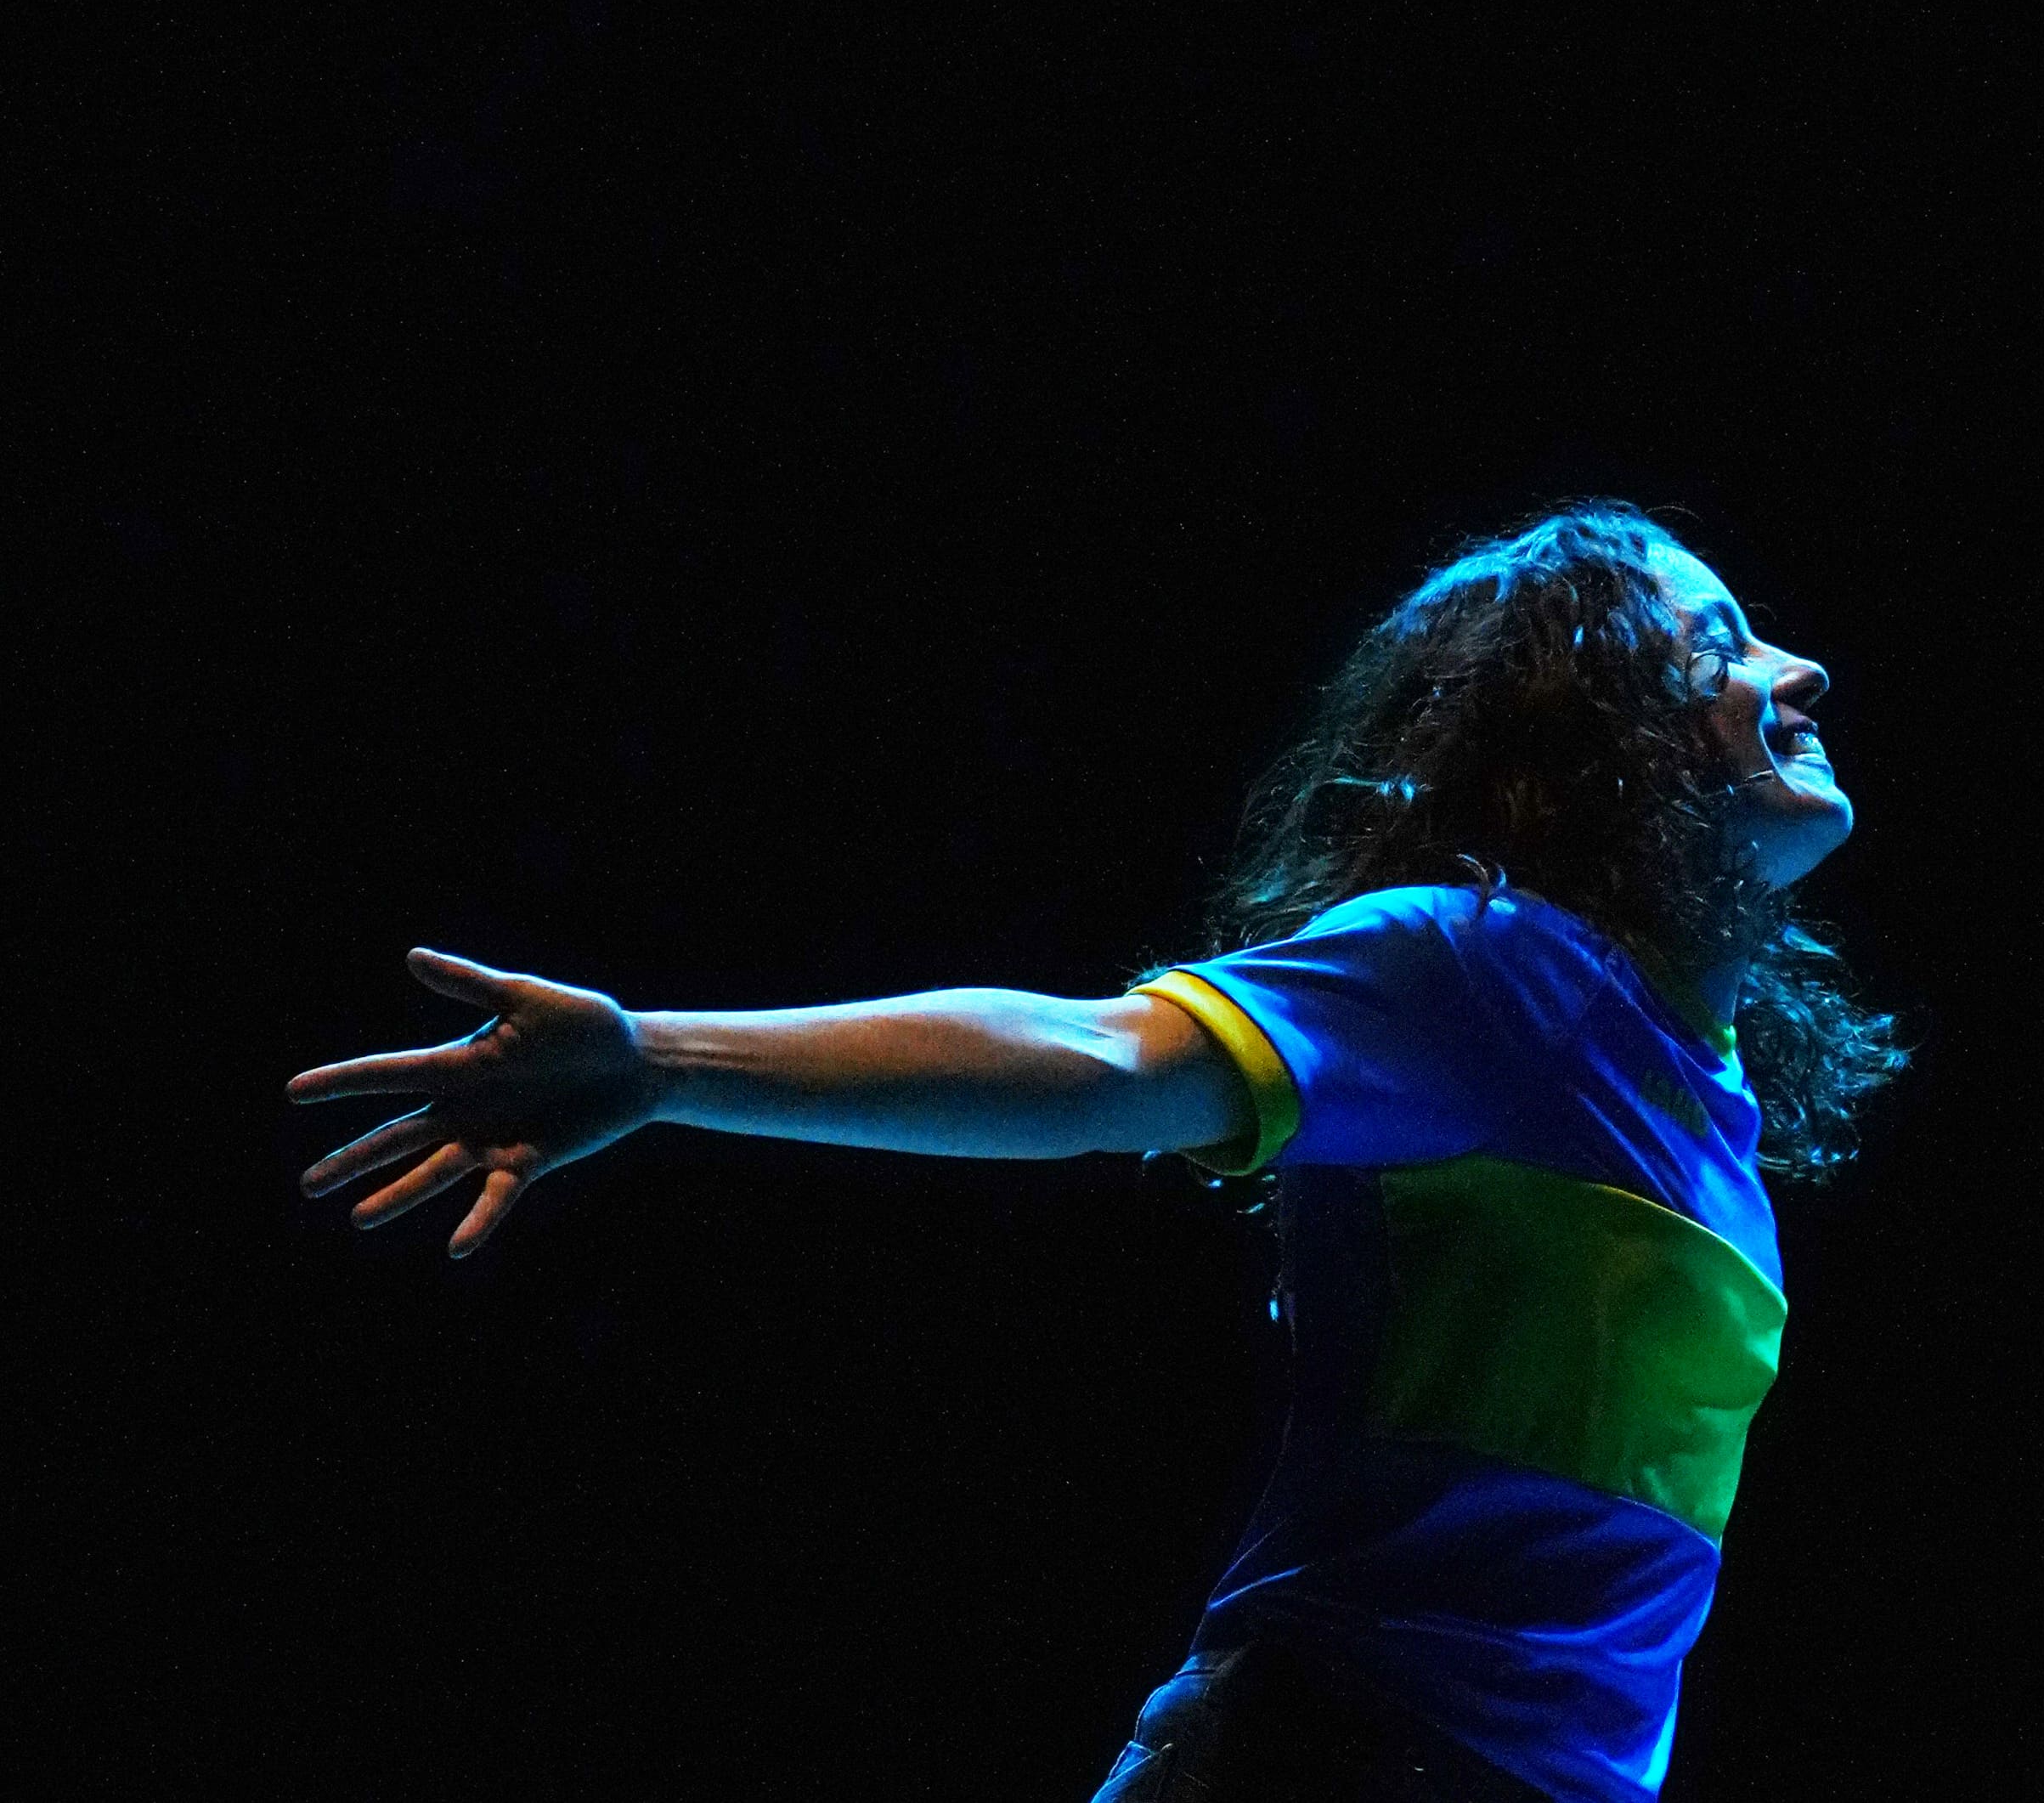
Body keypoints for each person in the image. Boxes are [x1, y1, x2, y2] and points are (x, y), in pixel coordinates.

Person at [287, 500, 1903, 1800]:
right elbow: (1095, 1055)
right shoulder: (1486, 971)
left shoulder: (1708, 1103)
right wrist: (656, 1060)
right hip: (1338, 1755)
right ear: (1593, 733)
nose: (1801, 667)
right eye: (1715, 645)